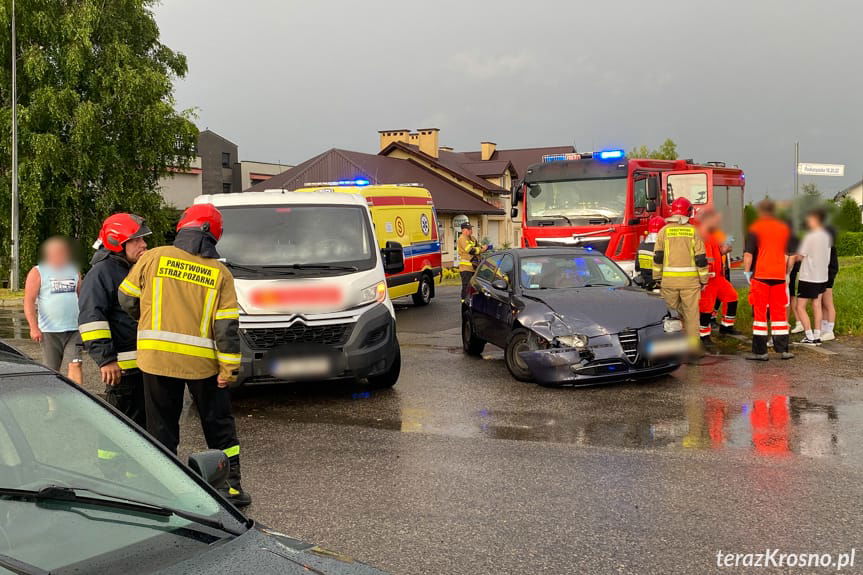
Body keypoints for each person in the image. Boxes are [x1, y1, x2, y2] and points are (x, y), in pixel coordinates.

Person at [118, 204, 250, 507]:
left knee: (161, 428)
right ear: (212, 234)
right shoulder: (220, 273)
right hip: (202, 364)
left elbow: (126, 298)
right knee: (219, 426)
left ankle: (164, 490)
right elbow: (226, 327)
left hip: (155, 359)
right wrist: (228, 369)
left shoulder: (153, 257)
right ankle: (230, 488)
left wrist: (148, 321)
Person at [78, 214, 151, 428]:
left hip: (146, 366)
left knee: (147, 429)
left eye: (143, 239)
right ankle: (110, 464)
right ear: (116, 242)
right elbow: (91, 318)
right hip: (123, 369)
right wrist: (106, 359)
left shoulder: (134, 269)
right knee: (122, 427)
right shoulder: (102, 272)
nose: (144, 244)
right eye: (136, 240)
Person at [652, 197, 709, 352]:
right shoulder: (693, 231)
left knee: (670, 317)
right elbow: (701, 259)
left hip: (668, 282)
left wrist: (657, 278)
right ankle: (692, 351)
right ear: (688, 211)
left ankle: (671, 350)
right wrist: (704, 279)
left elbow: (657, 257)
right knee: (691, 317)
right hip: (690, 283)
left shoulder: (664, 231)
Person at [24, 237, 83, 382]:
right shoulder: (38, 272)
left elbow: (81, 297)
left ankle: (76, 400)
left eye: (64, 251)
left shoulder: (74, 270)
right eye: (58, 252)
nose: (63, 255)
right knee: (51, 370)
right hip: (49, 331)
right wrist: (33, 328)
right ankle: (52, 403)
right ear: (49, 254)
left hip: (74, 329)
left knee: (76, 365)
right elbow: (29, 302)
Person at [743, 199, 793, 360]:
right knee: (779, 313)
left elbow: (748, 254)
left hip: (761, 276)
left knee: (760, 314)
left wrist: (746, 272)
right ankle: (783, 350)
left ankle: (760, 352)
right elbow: (789, 255)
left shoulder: (756, 228)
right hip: (779, 276)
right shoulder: (783, 228)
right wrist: (786, 272)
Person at [696, 208, 739, 343]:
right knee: (706, 307)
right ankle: (703, 335)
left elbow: (716, 253)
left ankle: (726, 327)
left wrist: (724, 250)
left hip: (718, 277)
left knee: (732, 297)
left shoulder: (713, 234)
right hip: (707, 278)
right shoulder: (698, 235)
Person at [792, 208, 831, 346]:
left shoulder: (810, 236)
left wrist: (788, 258)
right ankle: (817, 335)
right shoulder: (826, 236)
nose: (807, 221)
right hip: (822, 276)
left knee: (799, 307)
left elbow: (800, 256)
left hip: (809, 276)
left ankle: (809, 336)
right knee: (817, 305)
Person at [457, 222, 488, 302]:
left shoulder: (473, 238)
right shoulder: (462, 238)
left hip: (474, 267)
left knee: (475, 286)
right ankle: (464, 301)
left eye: (471, 229)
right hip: (466, 268)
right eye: (469, 229)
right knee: (466, 285)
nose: (471, 231)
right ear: (464, 230)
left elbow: (478, 247)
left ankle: (473, 301)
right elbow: (471, 250)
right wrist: (481, 249)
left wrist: (482, 248)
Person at [635, 216, 666, 290]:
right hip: (660, 283)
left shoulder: (641, 245)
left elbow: (637, 267)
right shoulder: (664, 246)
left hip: (646, 283)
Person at [820, 224, 839, 341]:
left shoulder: (830, 248)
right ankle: (824, 327)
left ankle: (830, 330)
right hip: (821, 277)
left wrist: (828, 278)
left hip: (827, 278)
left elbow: (833, 266)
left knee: (828, 303)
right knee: (821, 304)